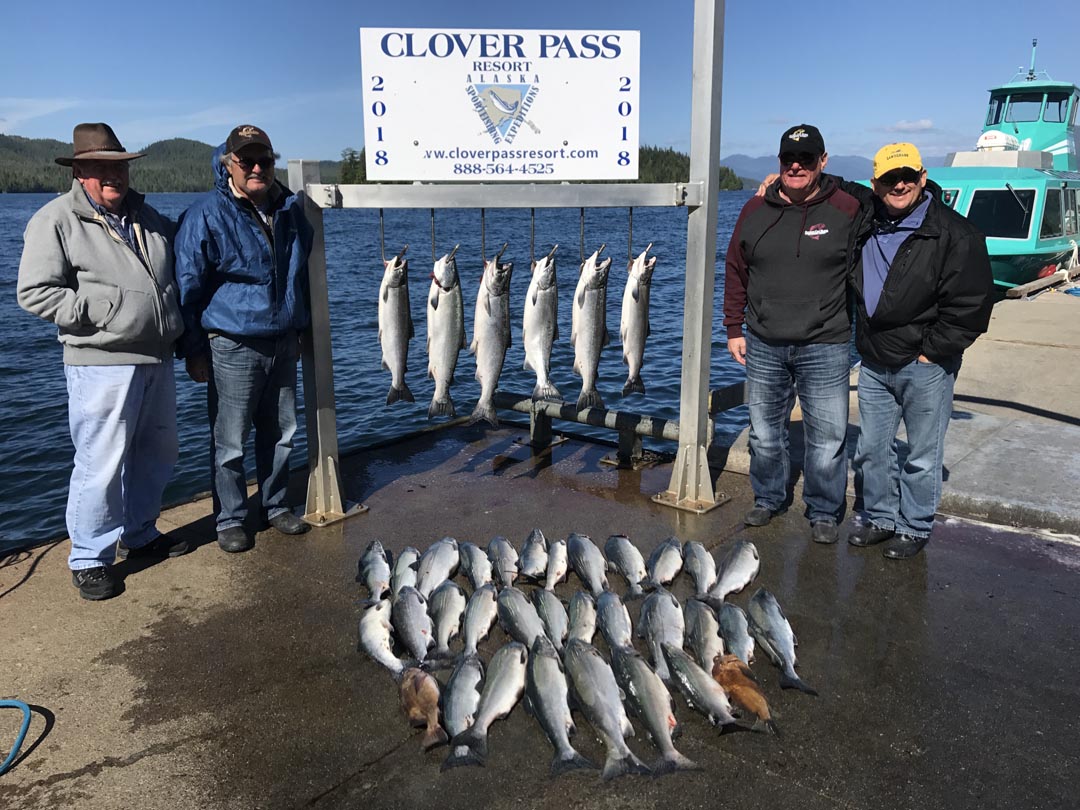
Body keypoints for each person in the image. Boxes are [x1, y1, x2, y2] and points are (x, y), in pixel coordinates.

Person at [17, 122, 188, 601]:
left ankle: (139, 532)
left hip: (157, 355)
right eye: (99, 167)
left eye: (118, 166)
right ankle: (89, 557)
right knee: (102, 460)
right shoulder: (55, 219)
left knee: (159, 450)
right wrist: (99, 311)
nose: (111, 176)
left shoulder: (147, 215)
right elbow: (33, 291)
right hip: (100, 359)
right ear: (79, 171)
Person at [847, 143, 993, 559]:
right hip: (874, 360)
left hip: (924, 364)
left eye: (908, 175)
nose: (900, 184)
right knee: (872, 449)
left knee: (923, 455)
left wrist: (932, 351)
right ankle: (880, 518)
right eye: (890, 178)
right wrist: (775, 182)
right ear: (875, 184)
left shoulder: (954, 232)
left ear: (923, 177)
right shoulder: (868, 218)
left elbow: (972, 305)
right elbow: (835, 185)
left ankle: (913, 526)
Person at [174, 125, 313, 553]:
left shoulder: (289, 209)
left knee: (282, 432)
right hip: (232, 345)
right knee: (229, 440)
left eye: (265, 161)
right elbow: (187, 288)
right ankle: (231, 518)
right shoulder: (206, 214)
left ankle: (274, 506)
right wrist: (194, 350)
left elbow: (299, 274)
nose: (257, 168)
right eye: (246, 161)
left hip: (283, 340)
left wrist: (301, 326)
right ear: (227, 164)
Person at [723, 124, 861, 544]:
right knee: (764, 432)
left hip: (826, 341)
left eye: (806, 159)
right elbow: (735, 269)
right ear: (778, 163)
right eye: (788, 160)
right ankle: (767, 497)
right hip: (763, 341)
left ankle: (823, 509)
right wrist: (733, 327)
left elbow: (899, 199)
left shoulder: (847, 208)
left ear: (823, 161)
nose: (796, 166)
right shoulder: (753, 210)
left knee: (828, 435)